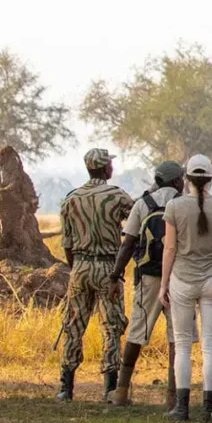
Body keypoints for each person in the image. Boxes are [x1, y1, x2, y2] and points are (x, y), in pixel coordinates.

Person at [159, 154, 212, 422]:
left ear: (187, 178)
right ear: (211, 179)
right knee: (210, 345)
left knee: (182, 344)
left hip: (181, 278)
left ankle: (182, 408)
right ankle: (208, 409)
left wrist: (163, 285)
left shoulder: (174, 207)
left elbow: (169, 248)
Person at [56, 148, 133, 402]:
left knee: (74, 325)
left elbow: (66, 243)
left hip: (79, 267)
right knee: (111, 326)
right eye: (110, 163)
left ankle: (66, 387)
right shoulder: (117, 196)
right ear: (105, 168)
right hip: (108, 268)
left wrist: (76, 266)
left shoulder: (71, 199)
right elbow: (135, 225)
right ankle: (110, 387)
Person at [108, 160, 184, 407]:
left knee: (137, 332)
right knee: (177, 337)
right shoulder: (185, 204)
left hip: (148, 277)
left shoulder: (143, 204)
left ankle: (121, 390)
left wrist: (115, 275)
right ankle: (173, 395)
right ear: (176, 181)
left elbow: (128, 244)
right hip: (179, 278)